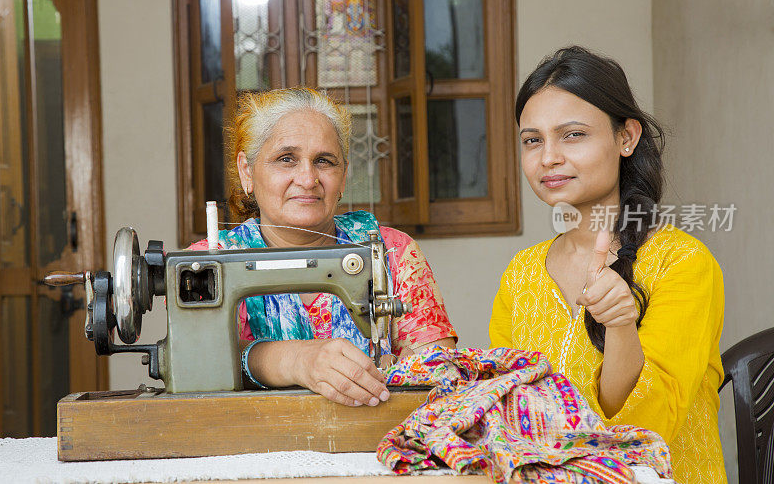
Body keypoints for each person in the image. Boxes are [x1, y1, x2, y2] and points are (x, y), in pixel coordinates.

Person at [488, 46, 725, 484]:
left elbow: (643, 430)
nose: (548, 158)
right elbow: (504, 412)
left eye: (573, 135)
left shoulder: (682, 263)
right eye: (532, 139)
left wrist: (619, 327)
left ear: (626, 138)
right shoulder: (521, 273)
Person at [190, 87, 456, 408]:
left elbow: (440, 378)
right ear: (247, 171)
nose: (308, 178)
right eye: (286, 159)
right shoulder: (203, 266)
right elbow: (197, 367)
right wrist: (296, 360)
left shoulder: (393, 251)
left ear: (342, 177)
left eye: (324, 161)